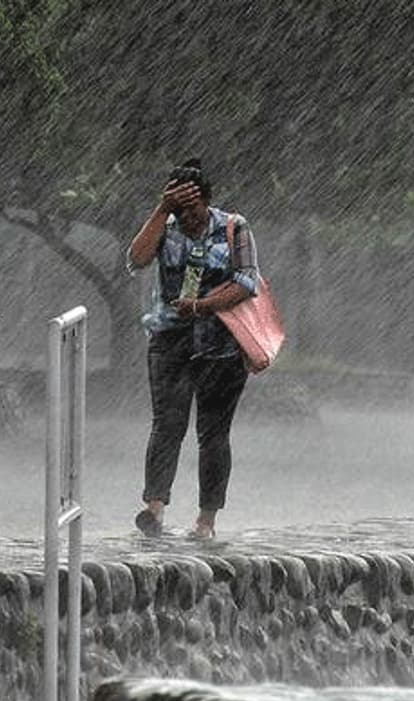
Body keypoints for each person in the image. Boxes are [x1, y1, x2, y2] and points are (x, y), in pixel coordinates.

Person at [125, 159, 260, 540]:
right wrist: (162, 209)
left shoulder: (234, 227)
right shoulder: (164, 227)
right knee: (167, 425)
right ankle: (154, 508)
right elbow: (135, 260)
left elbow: (247, 281)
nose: (189, 219)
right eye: (180, 210)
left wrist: (202, 306)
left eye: (193, 210)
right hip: (170, 341)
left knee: (213, 433)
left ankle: (206, 521)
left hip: (221, 346)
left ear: (206, 201)